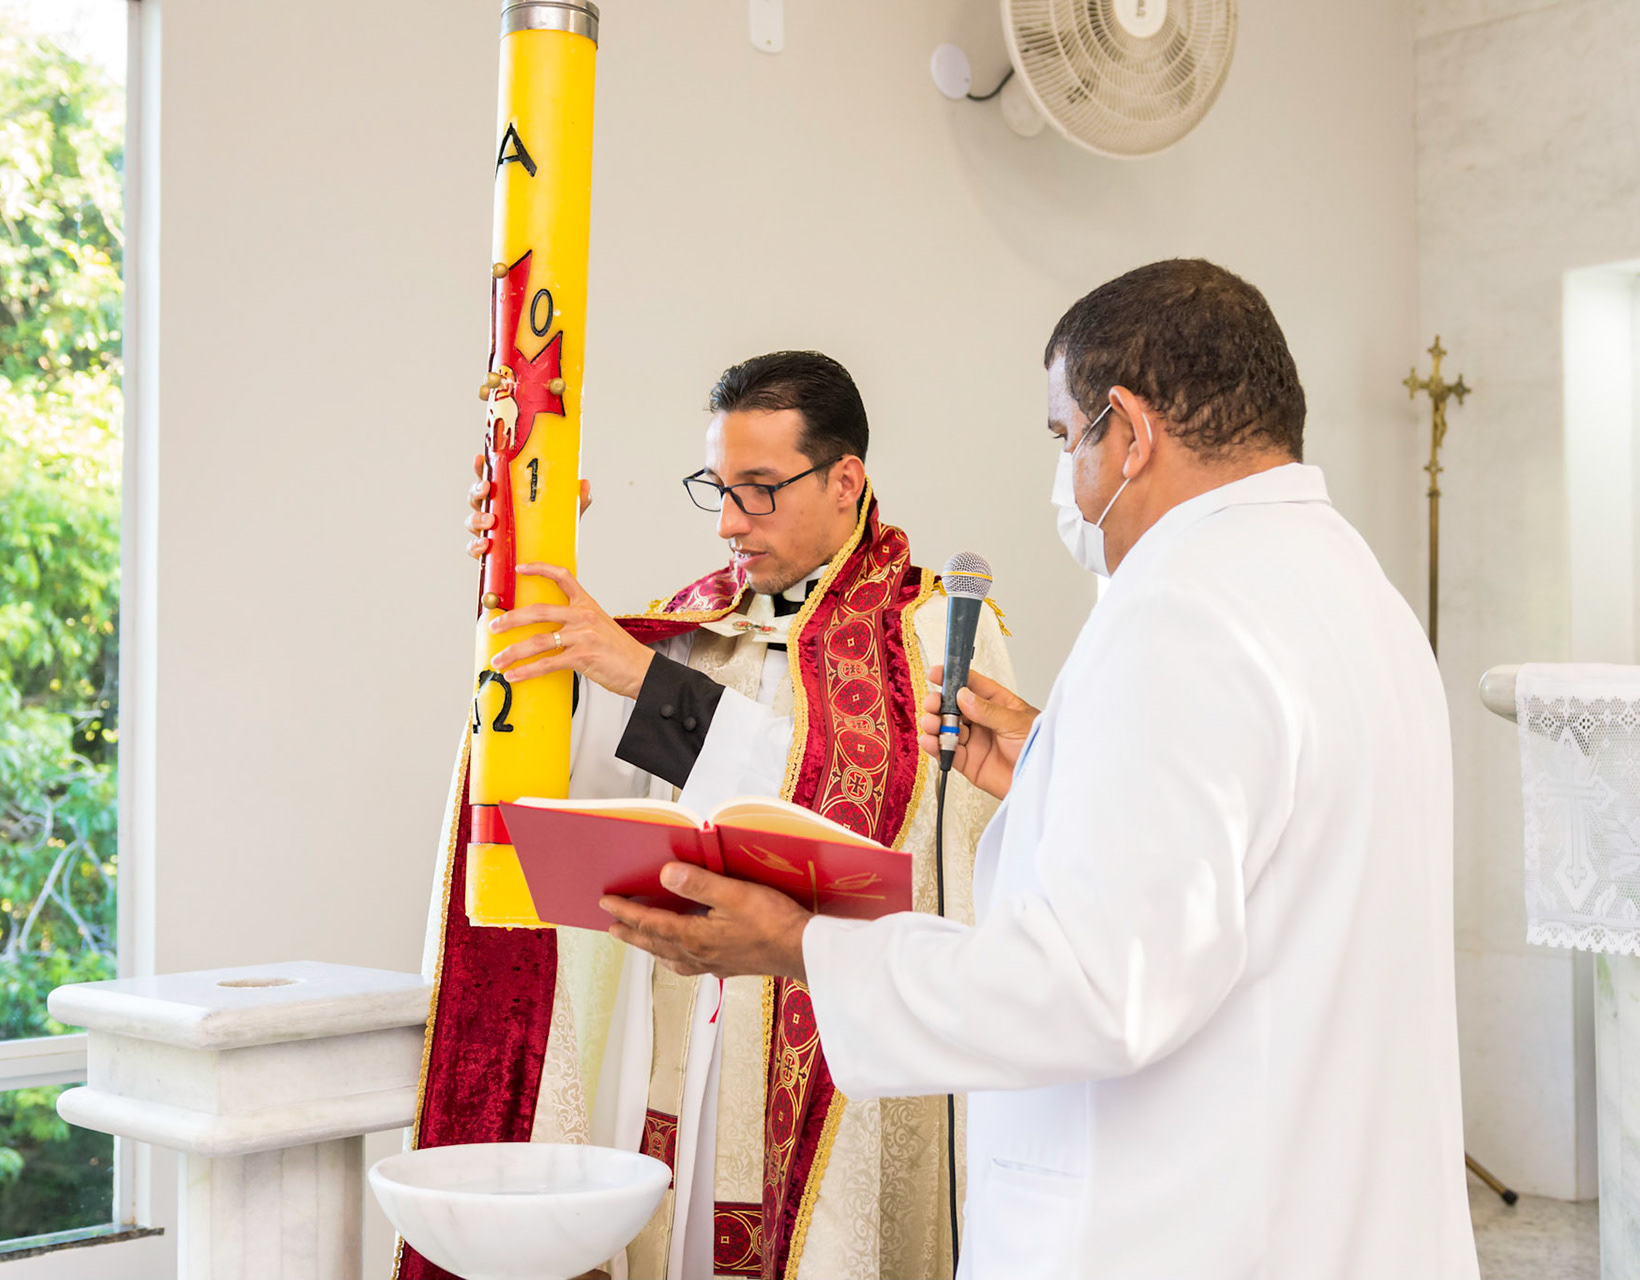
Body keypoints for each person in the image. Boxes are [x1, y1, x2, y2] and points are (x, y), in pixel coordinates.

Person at [603, 262, 1481, 1279]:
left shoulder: (1177, 614)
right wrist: (1063, 772)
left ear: (1130, 431)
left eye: (1067, 437)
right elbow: (1256, 867)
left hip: (1183, 1230)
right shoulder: (1351, 587)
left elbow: (1093, 987)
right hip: (1326, 1208)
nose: (1066, 476)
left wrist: (802, 946)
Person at [401, 351, 1015, 1280]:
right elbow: (589, 789)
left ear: (845, 480)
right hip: (689, 1046)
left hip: (841, 1057)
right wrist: (527, 587)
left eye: (758, 490)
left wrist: (647, 683)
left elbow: (862, 815)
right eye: (717, 489)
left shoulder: (935, 630)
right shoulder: (695, 624)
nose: (729, 522)